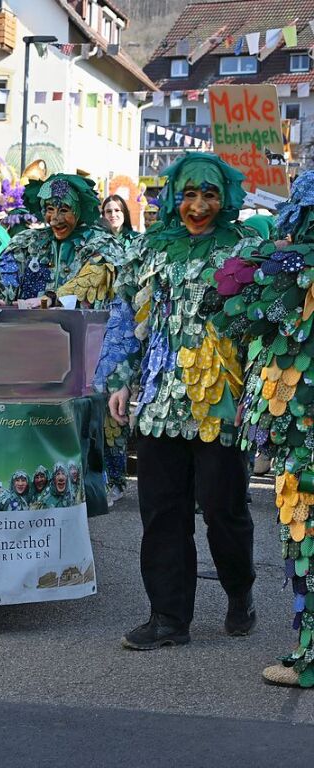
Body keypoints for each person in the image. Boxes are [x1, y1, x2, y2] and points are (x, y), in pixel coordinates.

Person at [99, 152, 260, 651]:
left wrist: (256, 391)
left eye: (209, 194)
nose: (198, 205)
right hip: (160, 398)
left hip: (221, 402)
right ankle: (169, 617)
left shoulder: (245, 248)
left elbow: (260, 326)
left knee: (222, 509)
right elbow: (126, 317)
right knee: (162, 513)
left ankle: (239, 592)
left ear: (225, 198)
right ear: (173, 198)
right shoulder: (150, 252)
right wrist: (121, 378)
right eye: (189, 195)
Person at [210, 172, 314, 686]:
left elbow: (230, 316)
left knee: (306, 534)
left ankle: (312, 652)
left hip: (303, 433)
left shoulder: (282, 275)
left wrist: (252, 265)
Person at [0, 174, 123, 310]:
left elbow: (93, 280)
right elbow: (6, 277)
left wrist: (53, 298)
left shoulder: (101, 244)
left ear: (78, 211)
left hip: (83, 333)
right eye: (50, 209)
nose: (55, 219)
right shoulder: (26, 242)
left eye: (64, 210)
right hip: (29, 330)